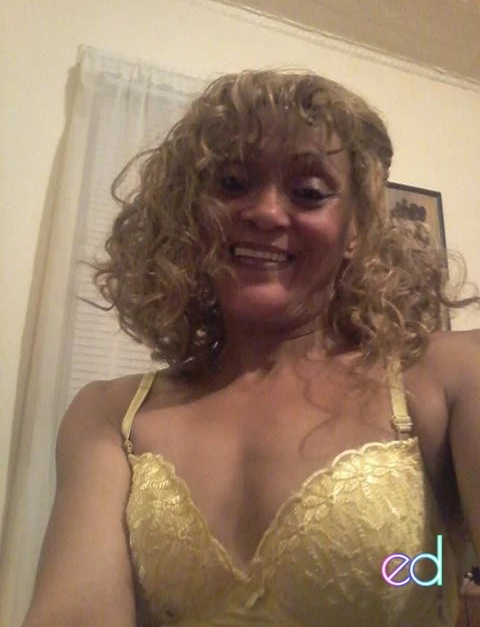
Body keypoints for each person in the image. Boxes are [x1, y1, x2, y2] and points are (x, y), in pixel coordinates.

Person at [22, 70, 480, 627]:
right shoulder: (110, 417)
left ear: (356, 227)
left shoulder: (448, 378)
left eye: (308, 192)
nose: (264, 211)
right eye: (233, 183)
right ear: (191, 215)